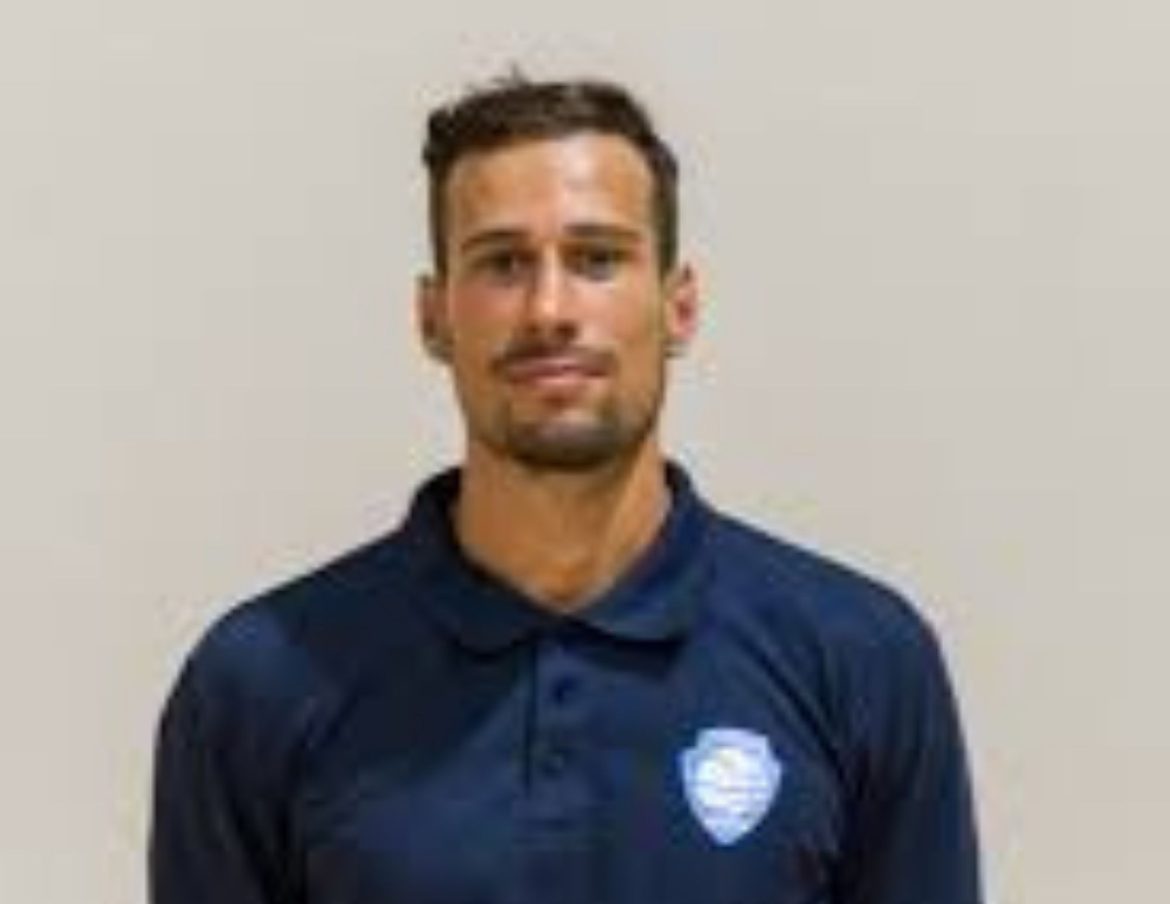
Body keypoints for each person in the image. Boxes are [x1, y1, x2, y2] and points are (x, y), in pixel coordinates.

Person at [149, 73, 982, 904]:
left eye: (597, 258)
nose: (549, 308)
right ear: (434, 317)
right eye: (503, 263)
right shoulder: (259, 685)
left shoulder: (860, 660)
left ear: (679, 305)